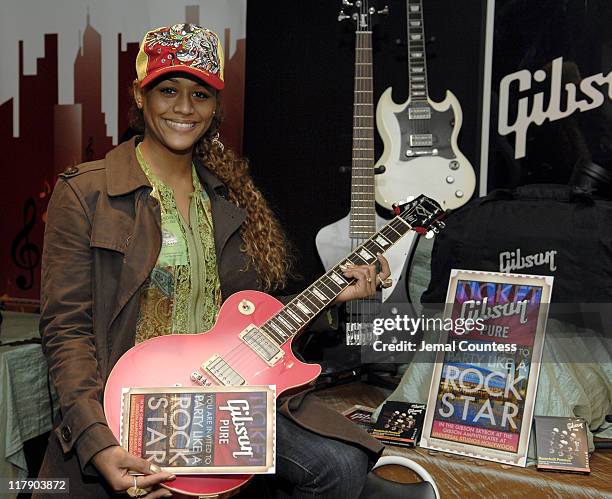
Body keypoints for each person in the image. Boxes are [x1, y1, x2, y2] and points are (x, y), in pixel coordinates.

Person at [35, 23, 391, 499]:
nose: (184, 108)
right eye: (168, 90)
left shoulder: (227, 196)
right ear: (139, 97)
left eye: (200, 95)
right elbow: (67, 331)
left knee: (341, 465)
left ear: (215, 107)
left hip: (221, 395)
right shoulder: (85, 192)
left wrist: (335, 295)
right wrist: (98, 442)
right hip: (128, 403)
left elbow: (242, 317)